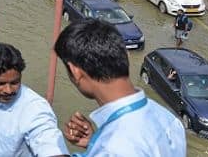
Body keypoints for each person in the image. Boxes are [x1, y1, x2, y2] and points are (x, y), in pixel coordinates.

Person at [55, 20, 186, 156]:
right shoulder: (169, 120)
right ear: (126, 56)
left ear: (75, 71)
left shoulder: (112, 147)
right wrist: (96, 142)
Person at [0, 42, 68, 156]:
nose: (8, 90)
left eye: (15, 82)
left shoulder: (34, 109)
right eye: (0, 83)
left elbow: (48, 141)